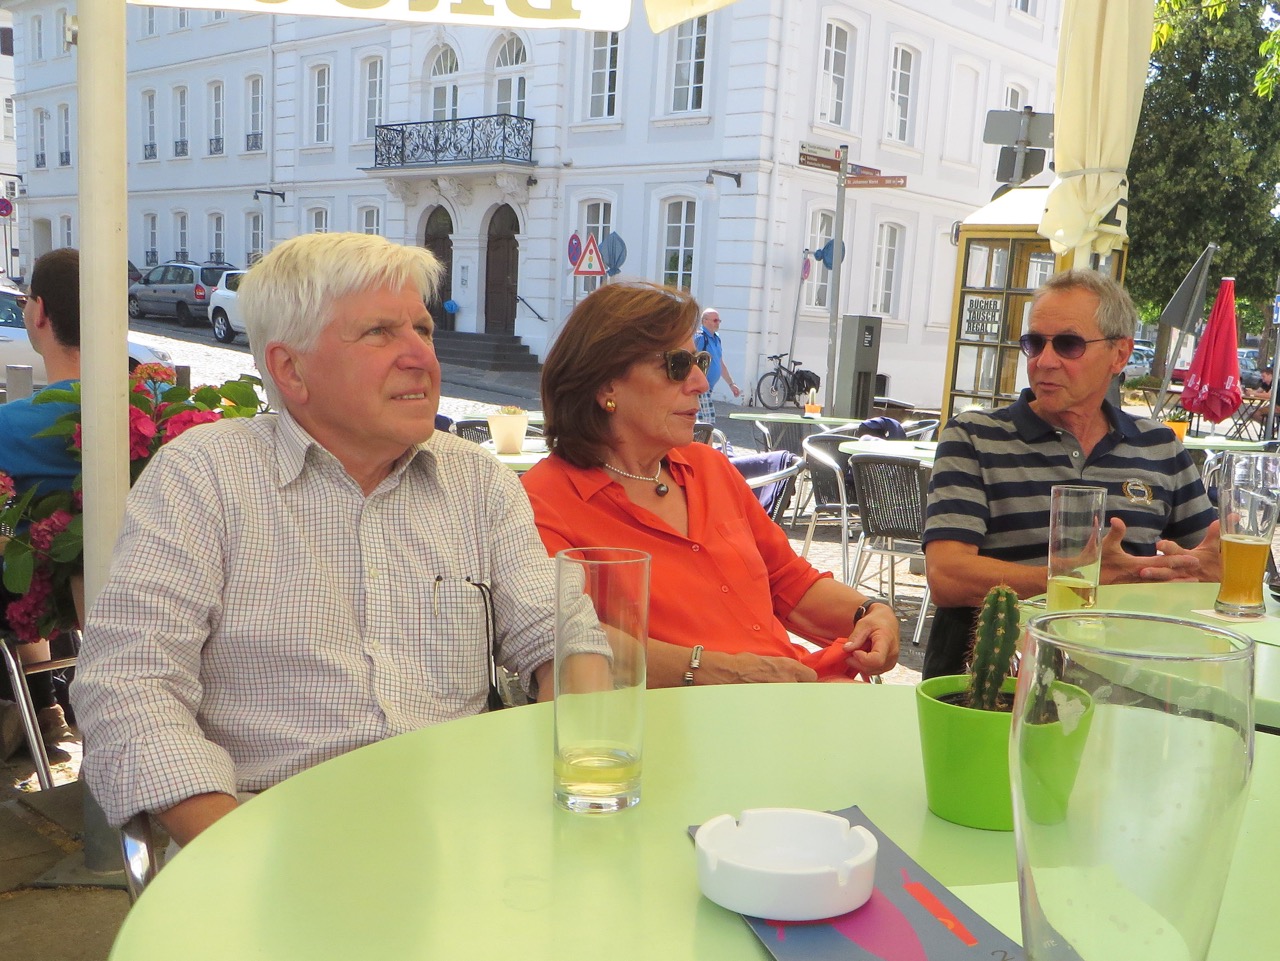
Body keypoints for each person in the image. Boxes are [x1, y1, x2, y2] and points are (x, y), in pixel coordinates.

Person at [73, 233, 560, 846]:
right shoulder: (205, 477)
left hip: (464, 826)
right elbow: (129, 682)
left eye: (424, 330)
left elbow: (557, 637)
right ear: (290, 369)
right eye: (380, 333)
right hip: (273, 835)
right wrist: (231, 849)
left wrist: (573, 764)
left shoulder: (477, 479)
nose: (422, 358)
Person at [521, 282, 900, 686]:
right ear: (605, 384)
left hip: (792, 698)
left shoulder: (707, 467)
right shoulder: (545, 500)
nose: (702, 383)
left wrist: (869, 612)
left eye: (698, 361)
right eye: (676, 366)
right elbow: (569, 639)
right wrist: (717, 670)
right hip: (675, 727)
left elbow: (788, 582)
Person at [922, 269, 1220, 679]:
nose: (1044, 361)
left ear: (1119, 354)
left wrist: (1209, 568)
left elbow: (1206, 557)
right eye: (1034, 343)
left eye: (1068, 344)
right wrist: (1078, 581)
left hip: (1138, 677)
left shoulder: (1160, 447)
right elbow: (946, 576)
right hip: (1000, 683)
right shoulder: (975, 436)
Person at [0, 248, 83, 758]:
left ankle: (33, 705)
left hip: (46, 598)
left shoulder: (15, 426)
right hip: (120, 593)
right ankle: (45, 705)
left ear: (38, 311)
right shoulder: (151, 408)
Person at [693, 307, 740, 425]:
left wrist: (731, 384)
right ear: (705, 321)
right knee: (708, 419)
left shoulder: (716, 338)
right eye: (715, 320)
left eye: (719, 320)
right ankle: (705, 442)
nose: (718, 323)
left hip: (709, 386)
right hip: (701, 385)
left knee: (702, 419)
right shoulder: (700, 338)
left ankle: (699, 441)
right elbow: (692, 359)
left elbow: (720, 363)